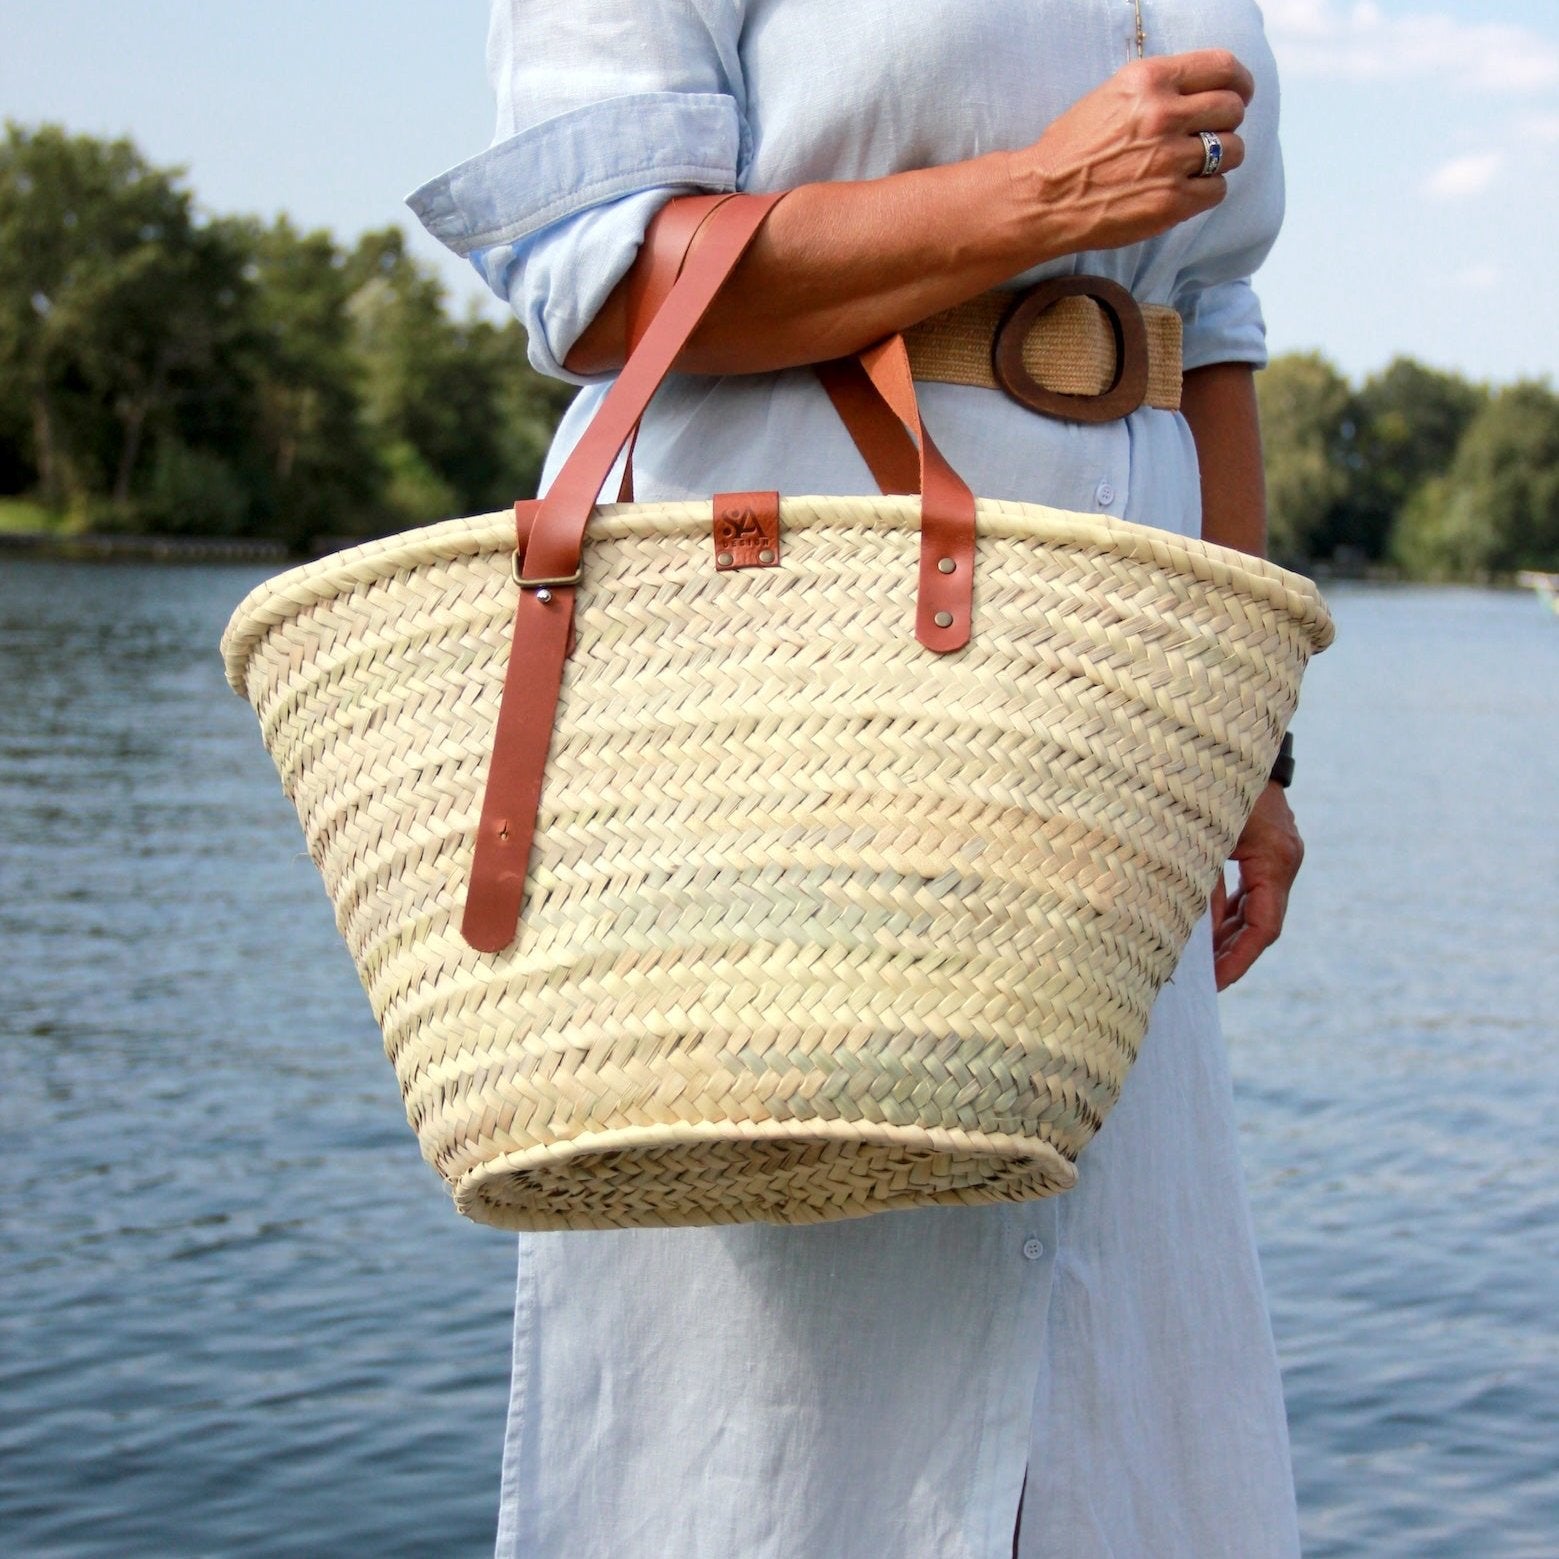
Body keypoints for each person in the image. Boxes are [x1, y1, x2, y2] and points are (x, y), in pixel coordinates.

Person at [408, 2, 1305, 1553]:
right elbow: (604, 273)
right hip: (791, 677)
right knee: (789, 1401)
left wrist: (1251, 730)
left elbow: (1205, 321)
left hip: (1126, 715)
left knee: (1121, 1393)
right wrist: (1040, 195)